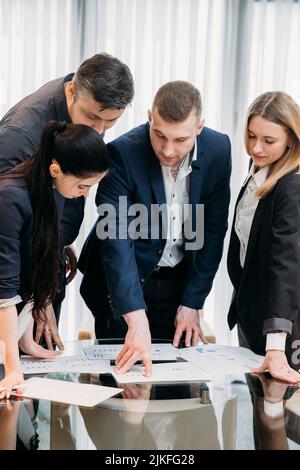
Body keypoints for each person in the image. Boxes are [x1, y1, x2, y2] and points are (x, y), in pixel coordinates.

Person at [79, 80, 232, 375]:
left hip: (177, 282)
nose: (168, 149)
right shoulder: (121, 154)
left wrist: (192, 302)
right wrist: (135, 319)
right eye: (159, 135)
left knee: (177, 382)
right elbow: (115, 239)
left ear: (200, 127)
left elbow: (213, 232)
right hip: (121, 283)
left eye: (180, 140)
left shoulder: (219, 150)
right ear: (150, 116)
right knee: (124, 385)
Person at [0, 52, 134, 345]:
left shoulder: (81, 113)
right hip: (14, 278)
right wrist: (38, 292)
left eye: (109, 122)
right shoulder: (21, 135)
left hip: (45, 267)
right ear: (72, 90)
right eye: (93, 117)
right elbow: (8, 229)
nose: (98, 130)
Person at [0, 121, 110, 399]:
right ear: (55, 169)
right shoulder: (10, 198)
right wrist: (14, 367)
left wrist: (25, 340)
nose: (86, 193)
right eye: (83, 185)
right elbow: (4, 291)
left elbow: (39, 260)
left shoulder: (53, 188)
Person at [227, 91, 300, 384]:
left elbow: (287, 267)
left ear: (290, 141)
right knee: (262, 417)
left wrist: (275, 345)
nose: (256, 148)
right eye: (251, 136)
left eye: (269, 141)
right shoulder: (259, 167)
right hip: (252, 316)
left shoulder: (291, 187)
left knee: (279, 420)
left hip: (282, 331)